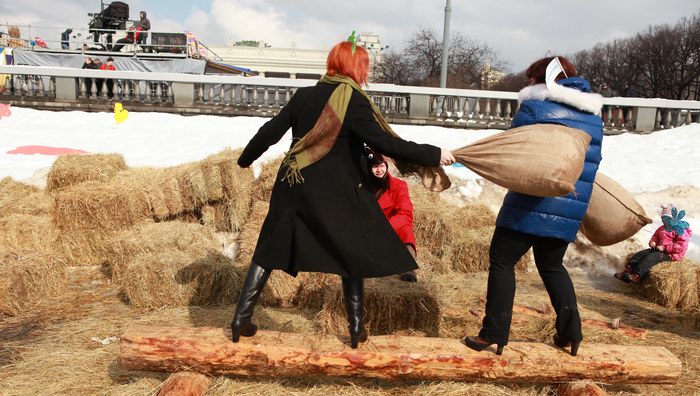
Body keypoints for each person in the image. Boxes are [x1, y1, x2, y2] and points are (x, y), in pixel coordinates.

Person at [230, 38, 455, 348]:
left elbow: (270, 131)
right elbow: (388, 144)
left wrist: (246, 158)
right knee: (352, 252)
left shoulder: (305, 96)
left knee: (270, 247)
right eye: (365, 67)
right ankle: (356, 329)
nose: (367, 73)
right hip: (333, 190)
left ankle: (241, 319)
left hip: (292, 184)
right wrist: (433, 154)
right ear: (356, 68)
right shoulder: (353, 100)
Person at [461, 56, 604, 357]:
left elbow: (517, 143)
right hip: (570, 206)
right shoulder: (593, 116)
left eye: (530, 79)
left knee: (502, 260)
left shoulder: (536, 107)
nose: (527, 84)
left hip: (530, 204)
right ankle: (571, 332)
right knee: (552, 266)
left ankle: (494, 333)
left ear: (541, 79)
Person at [365, 147, 418, 282]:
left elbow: (405, 213)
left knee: (406, 229)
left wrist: (385, 228)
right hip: (369, 228)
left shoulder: (398, 186)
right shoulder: (363, 186)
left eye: (382, 166)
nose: (379, 170)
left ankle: (408, 269)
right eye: (375, 166)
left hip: (391, 228)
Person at [615, 205, 692, 284]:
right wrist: (653, 242)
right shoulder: (662, 228)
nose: (665, 221)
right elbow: (656, 236)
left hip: (670, 255)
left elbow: (681, 246)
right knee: (641, 254)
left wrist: (665, 248)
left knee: (651, 258)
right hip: (658, 250)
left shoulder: (680, 230)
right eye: (663, 219)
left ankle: (637, 276)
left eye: (667, 219)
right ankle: (627, 272)